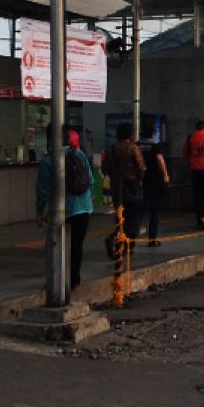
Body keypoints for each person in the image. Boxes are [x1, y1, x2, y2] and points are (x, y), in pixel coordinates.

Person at [36, 124, 94, 290]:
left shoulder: (49, 160)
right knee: (76, 245)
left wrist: (40, 212)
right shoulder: (79, 154)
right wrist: (88, 200)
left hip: (62, 210)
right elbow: (90, 179)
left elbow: (42, 190)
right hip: (83, 207)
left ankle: (56, 281)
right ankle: (74, 280)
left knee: (55, 245)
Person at [103, 122, 146, 258]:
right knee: (134, 218)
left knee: (120, 217)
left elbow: (105, 169)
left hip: (117, 189)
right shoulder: (133, 148)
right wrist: (138, 179)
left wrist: (116, 176)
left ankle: (116, 239)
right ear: (130, 134)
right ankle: (128, 245)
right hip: (132, 188)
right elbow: (142, 167)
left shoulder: (111, 149)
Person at [140, 136, 170, 247]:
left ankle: (131, 239)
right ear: (152, 133)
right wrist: (165, 175)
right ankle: (152, 239)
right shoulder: (155, 145)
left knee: (138, 210)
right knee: (155, 211)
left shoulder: (137, 145)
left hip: (140, 180)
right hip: (155, 180)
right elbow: (159, 159)